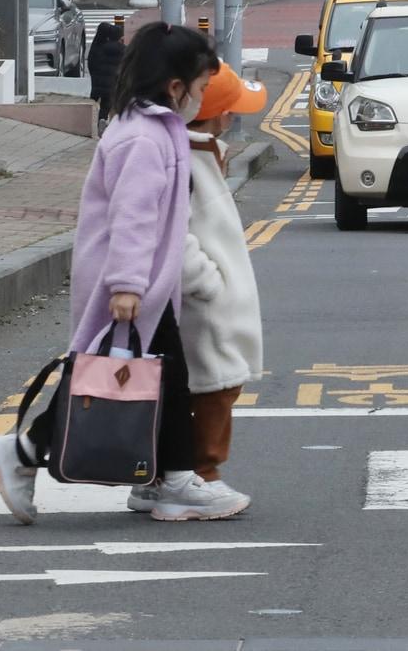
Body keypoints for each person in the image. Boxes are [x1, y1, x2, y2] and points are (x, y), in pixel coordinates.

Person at [0, 23, 248, 524]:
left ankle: (166, 480)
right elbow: (133, 215)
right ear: (175, 88)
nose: (200, 98)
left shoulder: (150, 129)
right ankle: (30, 455)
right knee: (121, 377)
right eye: (199, 88)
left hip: (145, 283)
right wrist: (127, 285)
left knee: (132, 377)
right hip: (130, 284)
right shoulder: (143, 140)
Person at [127, 62, 267, 515]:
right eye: (228, 107)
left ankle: (158, 480)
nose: (234, 117)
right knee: (214, 390)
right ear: (217, 113)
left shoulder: (199, 152)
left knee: (200, 388)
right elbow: (175, 234)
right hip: (202, 304)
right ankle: (198, 478)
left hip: (204, 301)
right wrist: (207, 281)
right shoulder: (186, 158)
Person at [87, 21, 125, 130]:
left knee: (93, 101)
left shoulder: (98, 47)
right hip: (112, 84)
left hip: (97, 83)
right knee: (107, 103)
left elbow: (91, 62)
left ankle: (91, 123)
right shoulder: (122, 49)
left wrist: (95, 76)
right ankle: (102, 120)